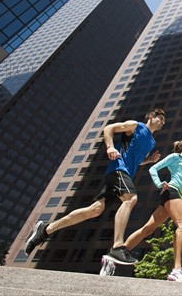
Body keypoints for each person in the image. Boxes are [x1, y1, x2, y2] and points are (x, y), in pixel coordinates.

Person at [24, 108, 166, 265]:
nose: (162, 122)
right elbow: (109, 128)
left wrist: (149, 160)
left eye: (164, 121)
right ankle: (118, 246)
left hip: (124, 174)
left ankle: (46, 229)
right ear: (151, 117)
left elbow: (137, 160)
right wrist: (110, 147)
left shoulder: (151, 142)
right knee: (131, 198)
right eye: (160, 118)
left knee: (95, 210)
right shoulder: (136, 126)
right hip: (118, 169)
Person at [100, 139, 182, 281]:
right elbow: (153, 168)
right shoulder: (175, 157)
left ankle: (113, 256)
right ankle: (176, 270)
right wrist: (158, 183)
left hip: (175, 196)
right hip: (171, 191)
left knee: (148, 229)